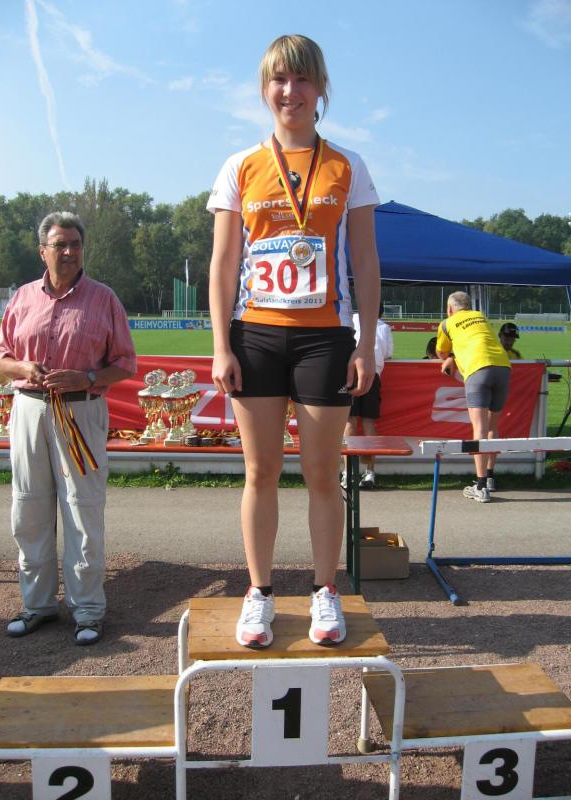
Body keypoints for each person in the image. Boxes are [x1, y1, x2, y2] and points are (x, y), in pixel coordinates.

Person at [207, 34, 380, 648]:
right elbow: (223, 264)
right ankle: (259, 593)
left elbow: (366, 261)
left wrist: (364, 344)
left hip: (324, 340)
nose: (291, 91)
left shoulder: (348, 166)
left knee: (322, 473)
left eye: (303, 79)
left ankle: (324, 590)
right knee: (260, 471)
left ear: (320, 88)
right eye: (280, 79)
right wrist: (221, 345)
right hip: (255, 335)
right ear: (264, 90)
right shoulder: (240, 166)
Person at [0, 212, 136, 645]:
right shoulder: (22, 298)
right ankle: (36, 605)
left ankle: (87, 609)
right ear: (43, 251)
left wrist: (87, 378)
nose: (70, 252)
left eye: (75, 244)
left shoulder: (103, 299)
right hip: (30, 409)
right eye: (60, 245)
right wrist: (23, 368)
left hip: (81, 412)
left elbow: (125, 363)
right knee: (29, 508)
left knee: (82, 509)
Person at [436, 292, 510, 503]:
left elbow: (441, 353)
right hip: (503, 367)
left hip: (478, 369)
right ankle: (490, 477)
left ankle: (481, 486)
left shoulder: (447, 323)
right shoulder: (480, 315)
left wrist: (451, 357)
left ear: (449, 309)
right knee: (493, 427)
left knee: (479, 429)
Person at [341, 303, 393, 489]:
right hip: (372, 374)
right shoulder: (384, 327)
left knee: (350, 422)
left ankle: (347, 473)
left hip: (351, 373)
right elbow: (388, 354)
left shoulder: (351, 320)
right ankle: (369, 473)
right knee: (369, 423)